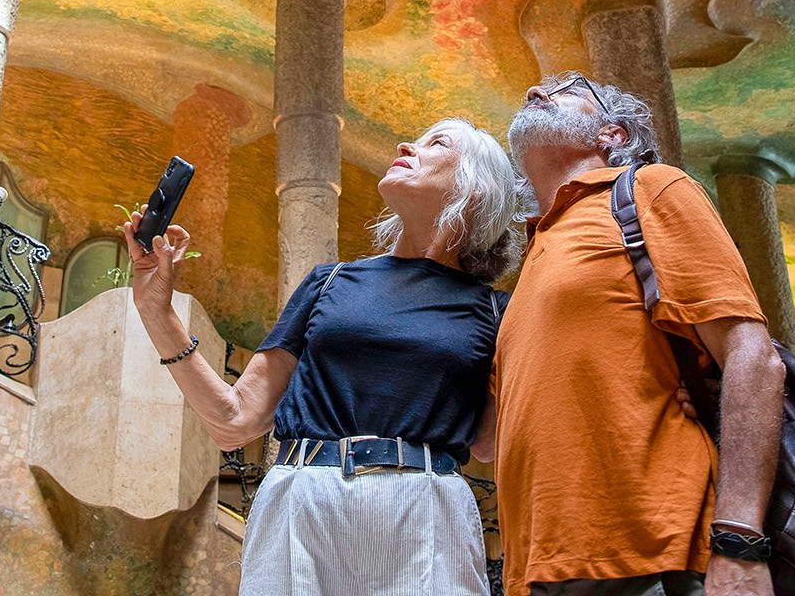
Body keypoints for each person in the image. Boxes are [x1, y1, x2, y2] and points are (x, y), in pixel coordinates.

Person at [124, 118, 517, 596]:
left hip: (427, 511)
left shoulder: (495, 311)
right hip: (300, 500)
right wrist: (156, 311)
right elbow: (234, 420)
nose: (405, 145)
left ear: (476, 189)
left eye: (437, 143)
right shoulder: (328, 282)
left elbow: (488, 444)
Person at [492, 73, 787, 596]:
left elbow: (750, 356)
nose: (536, 91)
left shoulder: (650, 189)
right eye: (534, 89)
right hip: (539, 569)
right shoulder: (534, 256)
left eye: (568, 90)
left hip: (653, 554)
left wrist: (741, 544)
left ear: (613, 135)